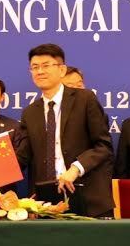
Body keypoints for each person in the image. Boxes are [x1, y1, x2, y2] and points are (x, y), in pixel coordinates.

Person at [17, 44, 114, 217]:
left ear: (62, 70)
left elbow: (103, 146)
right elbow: (22, 157)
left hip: (87, 196)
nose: (40, 71)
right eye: (35, 67)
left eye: (46, 65)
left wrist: (76, 168)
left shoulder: (85, 99)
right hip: (46, 203)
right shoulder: (30, 113)